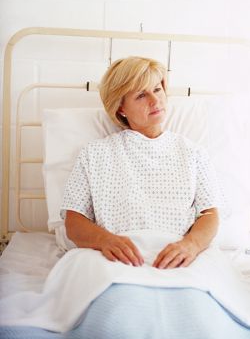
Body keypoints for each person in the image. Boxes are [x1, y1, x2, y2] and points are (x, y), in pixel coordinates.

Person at [61, 56, 220, 269]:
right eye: (141, 95)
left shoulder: (193, 153)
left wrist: (190, 245)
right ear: (121, 108)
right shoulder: (94, 155)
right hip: (114, 260)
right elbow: (74, 222)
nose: (155, 101)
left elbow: (210, 215)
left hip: (180, 259)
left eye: (157, 89)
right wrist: (105, 240)